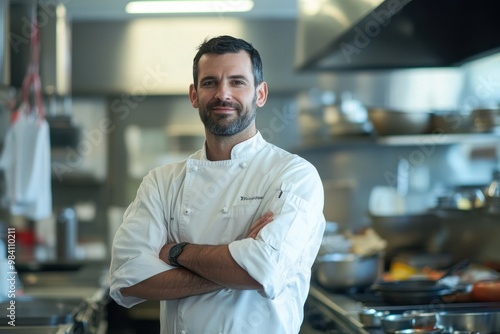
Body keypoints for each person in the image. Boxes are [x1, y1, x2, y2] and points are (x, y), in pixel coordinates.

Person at [109, 35, 326, 334]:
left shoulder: (293, 175)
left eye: (237, 82)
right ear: (194, 95)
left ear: (260, 94)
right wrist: (237, 266)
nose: (223, 94)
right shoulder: (162, 182)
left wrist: (176, 253)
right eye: (210, 82)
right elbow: (127, 279)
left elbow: (264, 272)